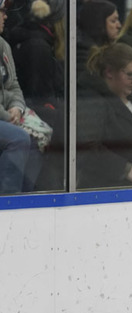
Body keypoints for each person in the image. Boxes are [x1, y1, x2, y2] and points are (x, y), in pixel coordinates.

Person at [76, 43, 132, 188]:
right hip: (111, 189)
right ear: (109, 72)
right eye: (130, 74)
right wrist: (125, 169)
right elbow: (86, 148)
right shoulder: (92, 100)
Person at [0, 1, 43, 194]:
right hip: (3, 118)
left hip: (6, 116)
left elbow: (14, 84)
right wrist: (8, 116)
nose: (5, 16)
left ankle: (26, 202)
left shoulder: (3, 46)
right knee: (18, 138)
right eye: (1, 11)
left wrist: (17, 107)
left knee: (36, 139)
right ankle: (9, 201)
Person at [77, 0, 121, 74]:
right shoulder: (84, 53)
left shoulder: (106, 49)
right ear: (98, 23)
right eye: (113, 21)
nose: (119, 26)